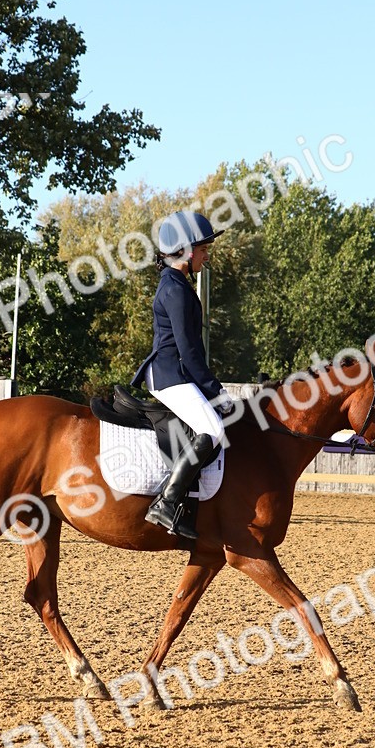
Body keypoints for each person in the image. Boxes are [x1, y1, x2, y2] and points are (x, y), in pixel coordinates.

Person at [132, 210, 235, 541]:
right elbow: (190, 352)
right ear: (187, 250)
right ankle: (166, 501)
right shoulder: (175, 290)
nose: (207, 255)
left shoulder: (176, 284)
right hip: (169, 374)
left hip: (176, 372)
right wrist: (216, 392)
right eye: (203, 249)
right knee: (212, 427)